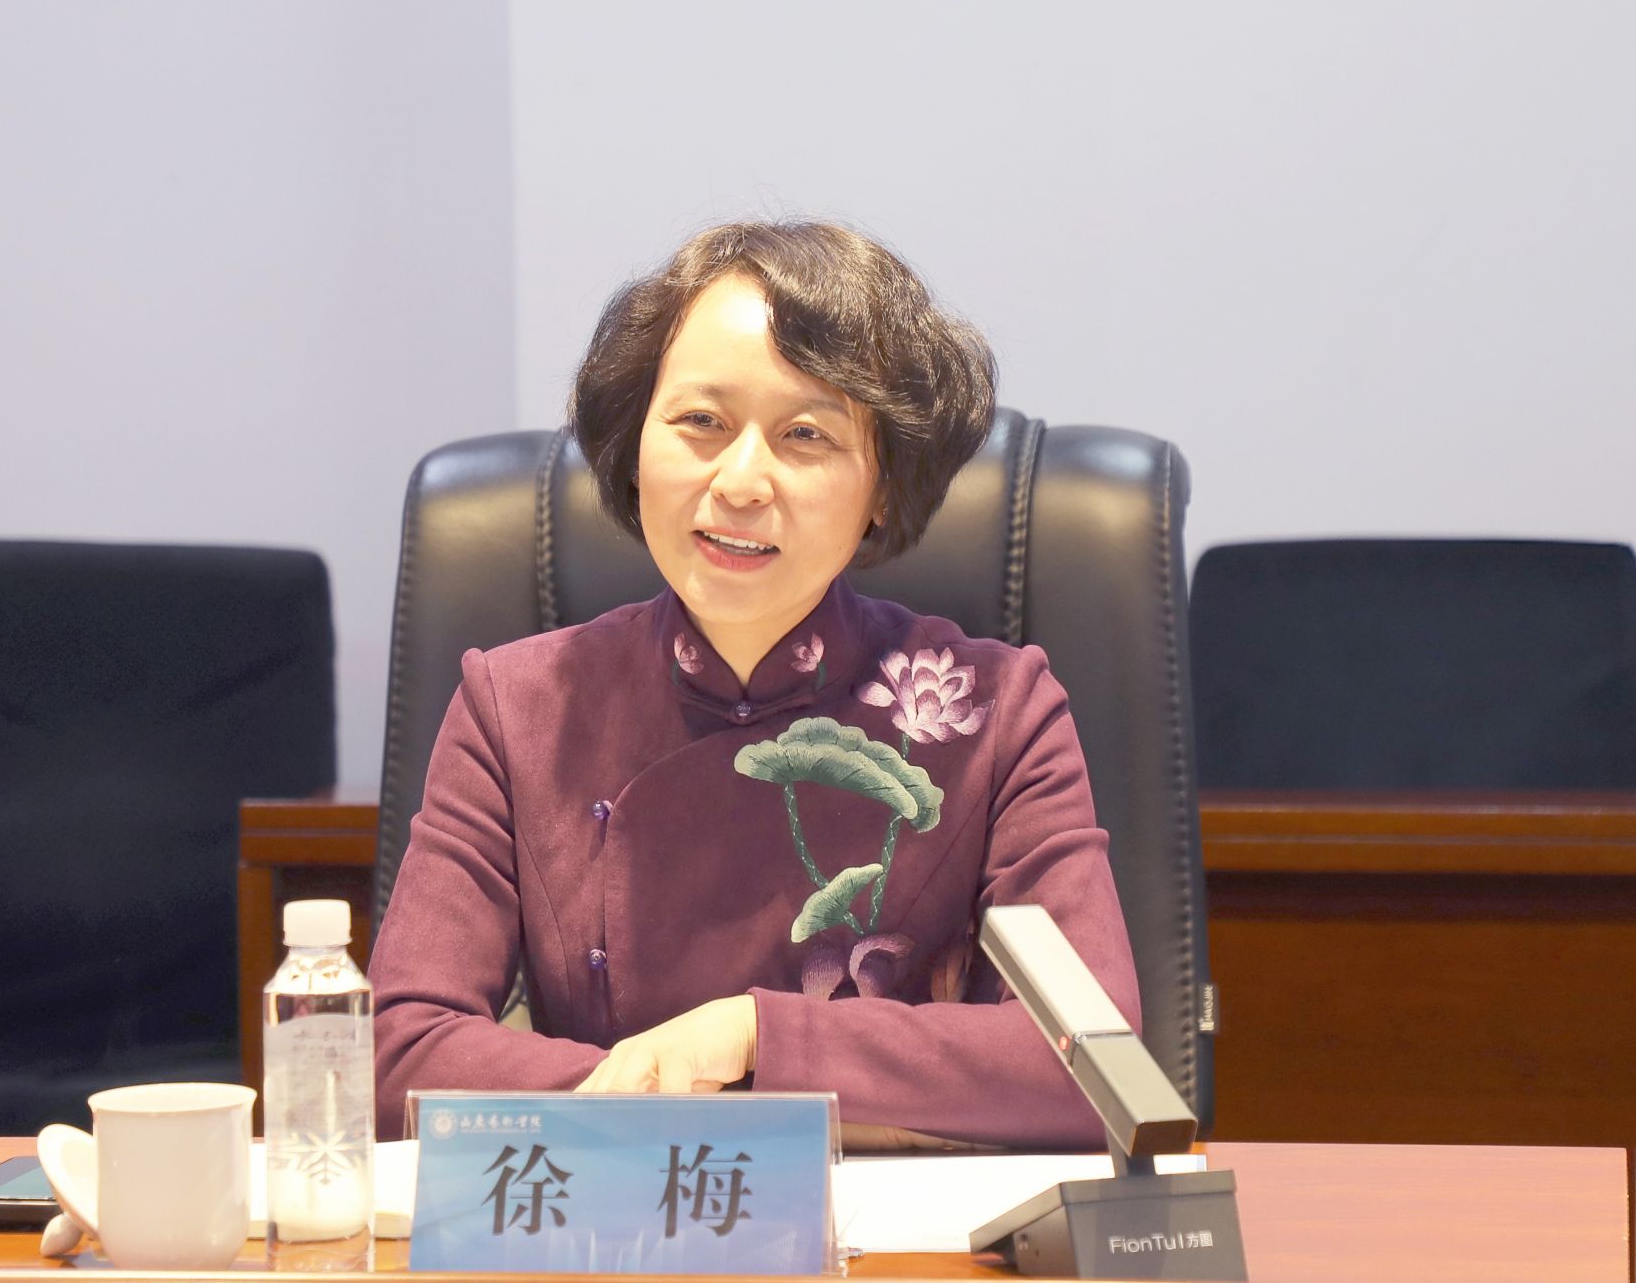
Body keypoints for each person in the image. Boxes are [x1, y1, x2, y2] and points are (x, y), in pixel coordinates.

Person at [367, 220, 1139, 1148]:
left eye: (805, 434)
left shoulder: (997, 712)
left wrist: (757, 1036)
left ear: (883, 488)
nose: (740, 481)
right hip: (618, 1208)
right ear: (635, 444)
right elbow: (399, 1053)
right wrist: (682, 1098)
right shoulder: (517, 706)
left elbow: (1091, 1059)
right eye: (701, 422)